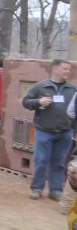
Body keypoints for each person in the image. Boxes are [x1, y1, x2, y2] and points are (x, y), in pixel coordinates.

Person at [23, 60, 77, 202]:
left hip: (65, 132)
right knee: (41, 161)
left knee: (59, 162)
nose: (67, 71)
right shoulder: (41, 86)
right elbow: (26, 102)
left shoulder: (73, 90)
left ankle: (56, 190)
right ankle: (37, 189)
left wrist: (74, 131)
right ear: (54, 69)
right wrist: (38, 102)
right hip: (44, 131)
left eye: (69, 69)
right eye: (64, 68)